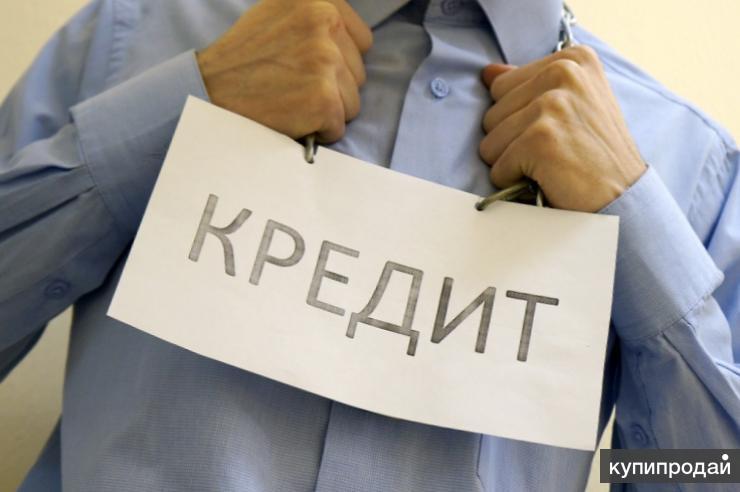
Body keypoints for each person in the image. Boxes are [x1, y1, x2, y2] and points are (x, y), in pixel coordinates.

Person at [1, 0, 737, 490]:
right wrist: (176, 109)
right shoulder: (130, 36)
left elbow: (702, 473)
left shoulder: (688, 166)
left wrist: (639, 232)